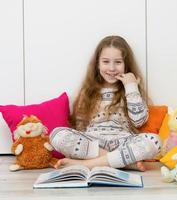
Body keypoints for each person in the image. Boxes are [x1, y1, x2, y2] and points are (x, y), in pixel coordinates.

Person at [50, 35, 162, 171]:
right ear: (97, 63)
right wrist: (81, 146)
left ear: (126, 64)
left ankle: (87, 165)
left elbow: (139, 121)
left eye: (118, 62)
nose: (112, 68)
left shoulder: (130, 89)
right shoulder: (88, 91)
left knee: (155, 141)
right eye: (106, 62)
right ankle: (123, 163)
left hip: (123, 143)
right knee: (56, 134)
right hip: (94, 144)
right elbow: (80, 125)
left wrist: (131, 86)